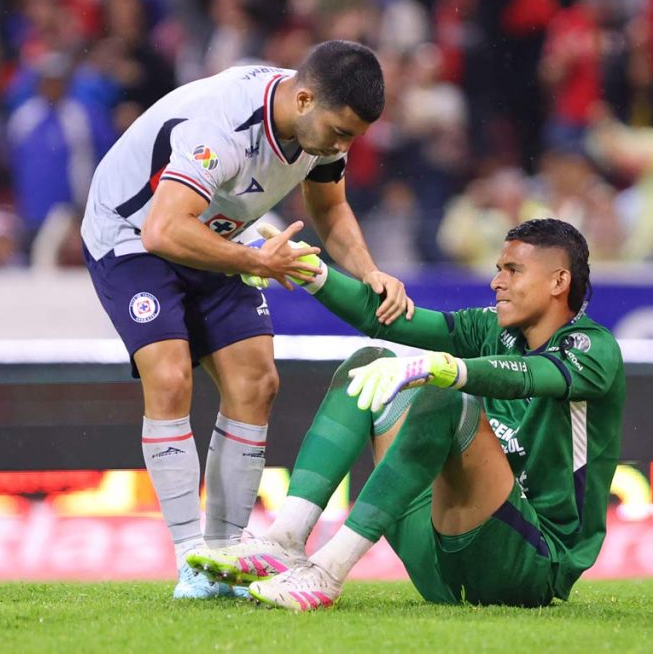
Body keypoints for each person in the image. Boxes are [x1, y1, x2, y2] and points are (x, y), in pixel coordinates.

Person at [80, 40, 411, 599]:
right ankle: (190, 558)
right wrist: (259, 260)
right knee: (169, 375)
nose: (342, 146)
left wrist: (370, 271)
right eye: (340, 132)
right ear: (303, 98)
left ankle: (226, 559)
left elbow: (328, 207)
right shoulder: (223, 130)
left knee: (257, 382)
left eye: (352, 136)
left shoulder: (318, 119)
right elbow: (164, 230)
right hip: (133, 235)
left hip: (216, 231)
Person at [191, 218, 625, 610]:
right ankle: (285, 539)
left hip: (529, 562)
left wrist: (444, 369)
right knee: (366, 362)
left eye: (513, 270)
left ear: (558, 282)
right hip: (441, 562)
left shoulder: (593, 348)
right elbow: (390, 322)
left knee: (447, 398)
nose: (497, 282)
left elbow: (530, 376)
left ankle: (327, 572)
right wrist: (313, 275)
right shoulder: (492, 329)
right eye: (498, 269)